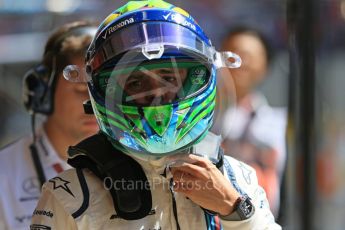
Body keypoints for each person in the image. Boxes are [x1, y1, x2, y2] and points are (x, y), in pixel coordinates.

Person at [31, 1, 281, 229]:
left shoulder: (238, 179)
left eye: (169, 79)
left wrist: (235, 210)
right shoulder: (71, 196)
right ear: (107, 91)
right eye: (136, 84)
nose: (157, 97)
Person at [0, 21, 99, 230]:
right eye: (82, 90)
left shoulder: (141, 167)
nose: (94, 105)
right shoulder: (4, 175)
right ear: (44, 92)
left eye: (102, 93)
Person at [219, 26, 287, 216]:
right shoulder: (199, 118)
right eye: (234, 53)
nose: (241, 62)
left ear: (265, 66)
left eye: (250, 56)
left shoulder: (276, 123)